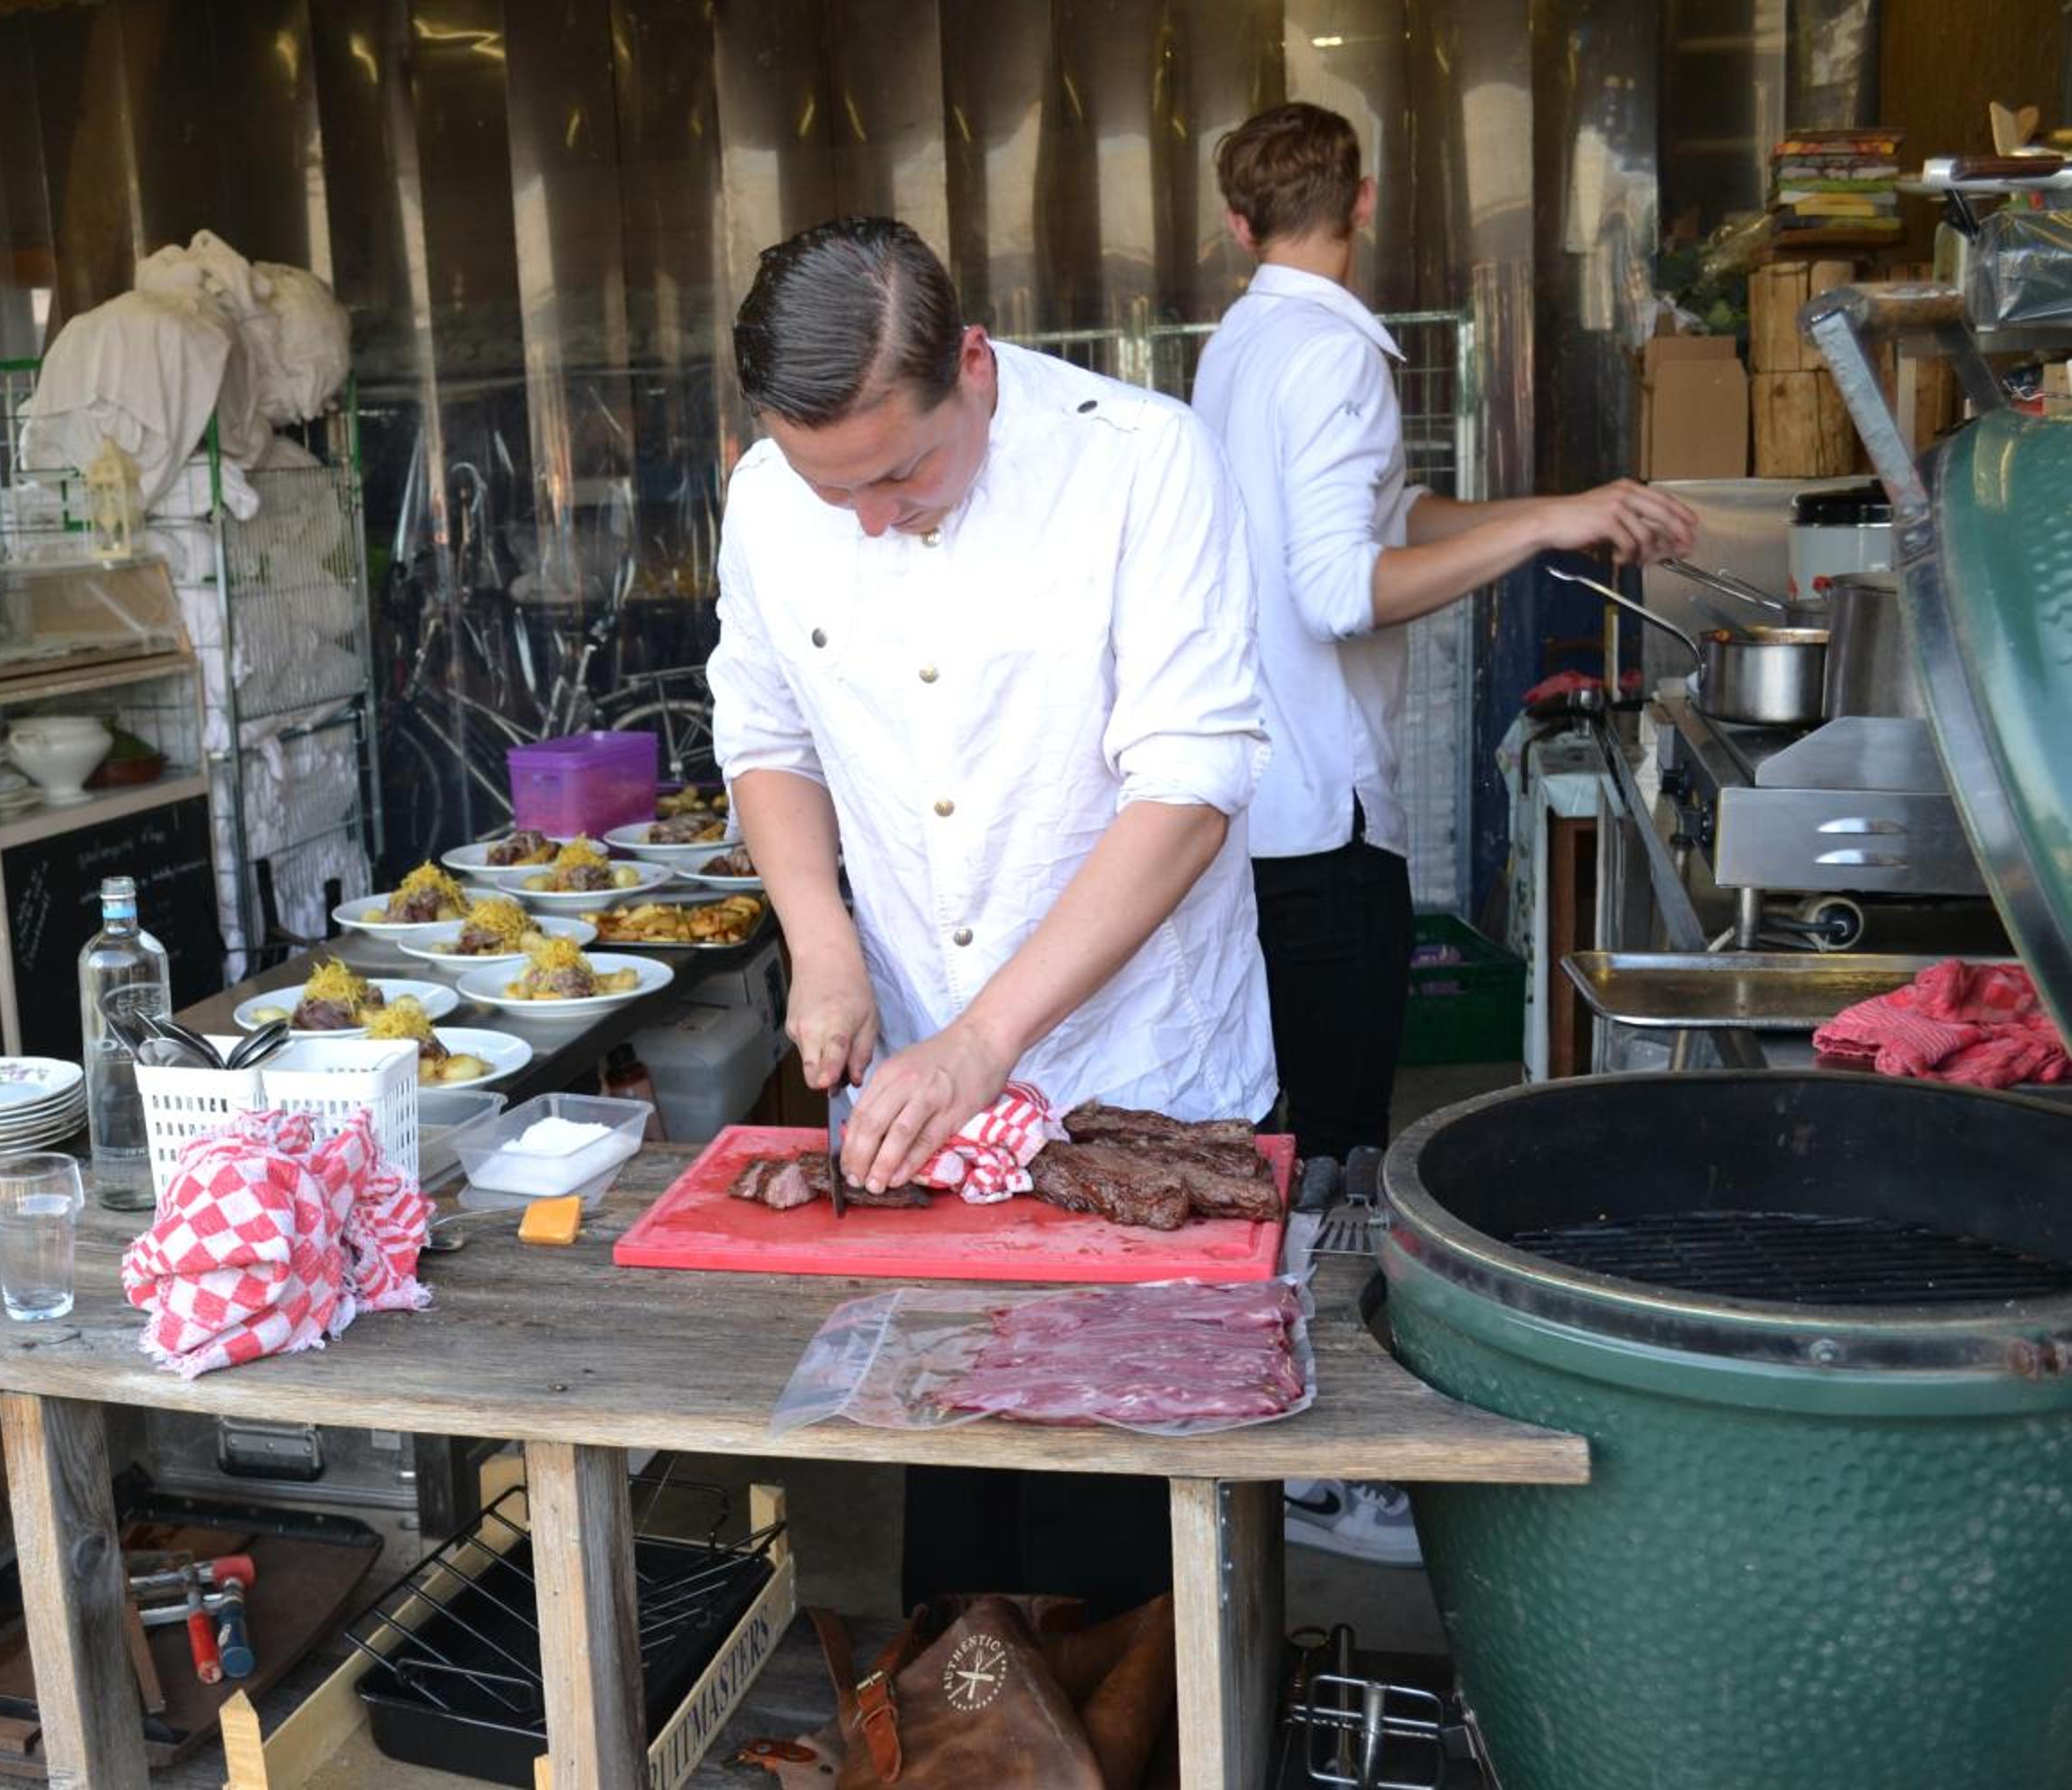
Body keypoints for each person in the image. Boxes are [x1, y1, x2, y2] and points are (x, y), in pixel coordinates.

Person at [707, 217, 1274, 1613]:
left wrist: (985, 1040)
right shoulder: (772, 500)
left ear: (971, 362)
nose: (870, 518)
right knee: (955, 1546)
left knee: (1130, 1571)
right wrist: (825, 945)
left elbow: (1189, 789)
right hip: (920, 1119)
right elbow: (765, 739)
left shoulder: (1143, 463)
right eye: (832, 488)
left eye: (903, 472)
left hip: (1144, 1095)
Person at [1190, 101, 1698, 1565]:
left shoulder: (1244, 347)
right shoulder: (1337, 352)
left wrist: (1563, 505)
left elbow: (1392, 508)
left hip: (1254, 807)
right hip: (1323, 810)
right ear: (1364, 199)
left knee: (1287, 1144)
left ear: (1237, 224)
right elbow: (1343, 587)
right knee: (1332, 1161)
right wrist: (1540, 534)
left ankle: (1272, 1452)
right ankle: (1317, 1476)